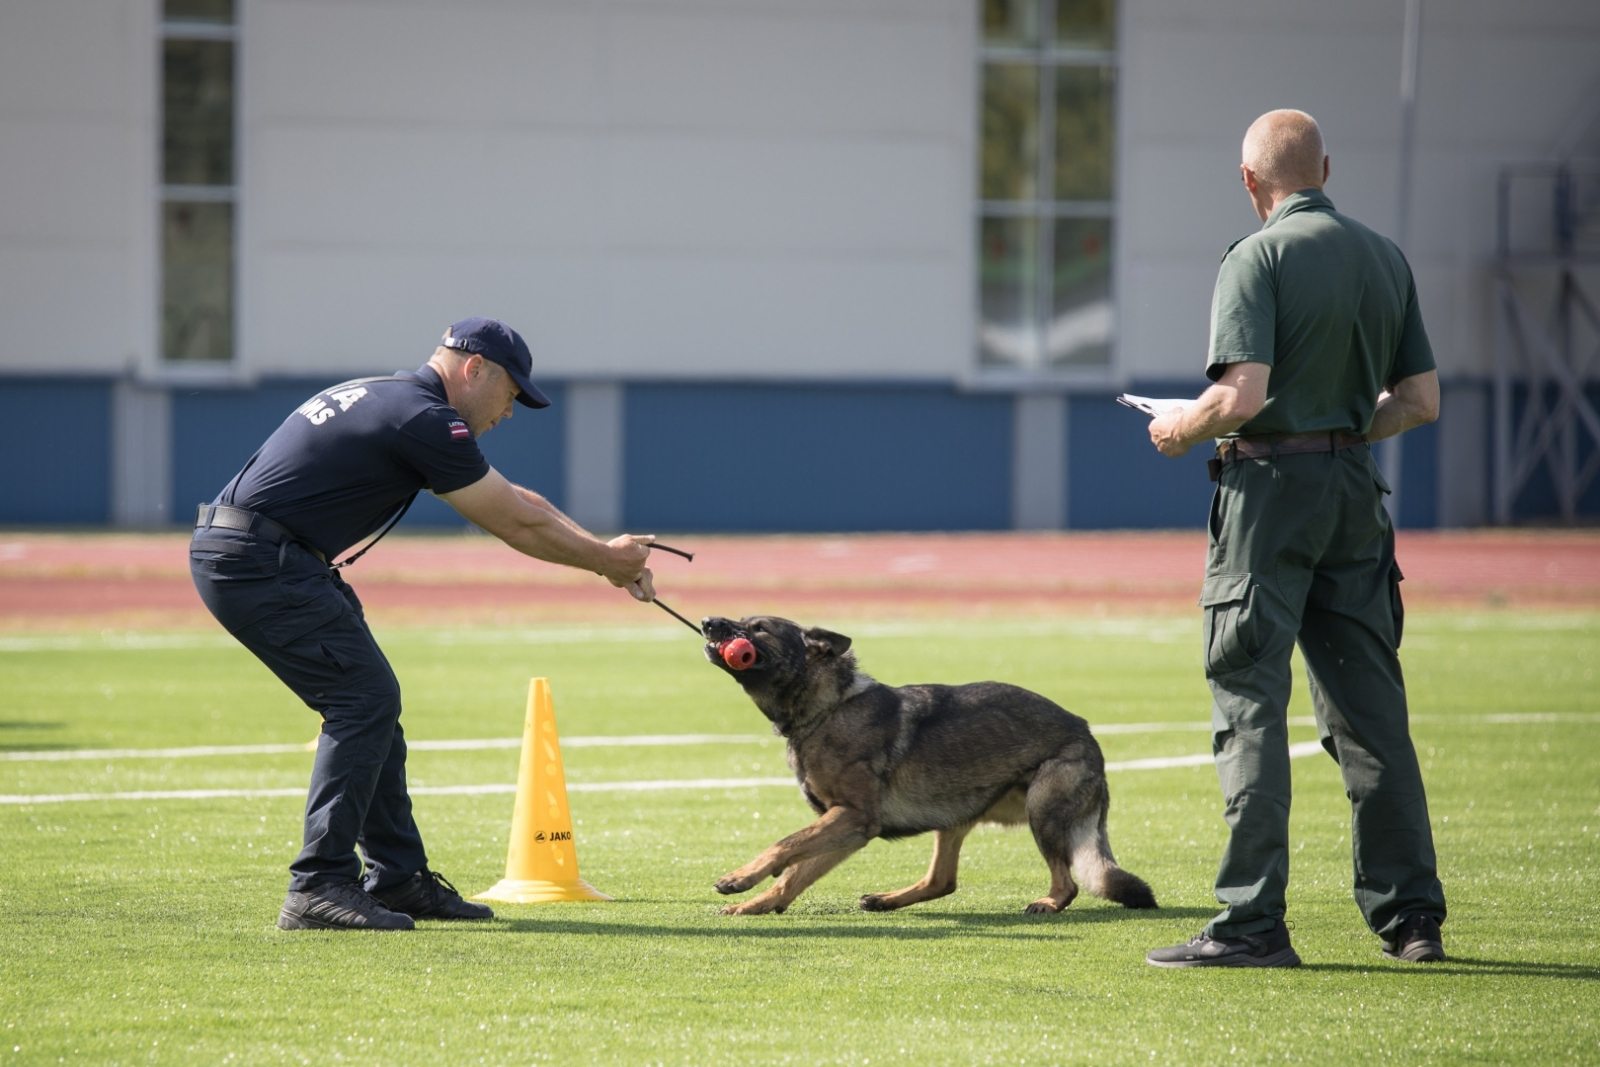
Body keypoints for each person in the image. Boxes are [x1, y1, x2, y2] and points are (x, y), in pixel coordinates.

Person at [190, 318, 657, 931]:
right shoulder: (425, 418)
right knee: (363, 699)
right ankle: (320, 885)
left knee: (373, 703)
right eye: (511, 394)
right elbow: (514, 525)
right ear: (475, 370)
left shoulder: (396, 399)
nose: (510, 412)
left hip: (263, 556)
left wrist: (603, 553)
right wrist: (608, 563)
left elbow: (517, 501)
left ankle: (399, 879)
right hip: (260, 562)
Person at [1142, 111, 1447, 968]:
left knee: (1249, 702)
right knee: (1371, 710)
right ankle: (1412, 918)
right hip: (1355, 490)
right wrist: (1343, 428)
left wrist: (1178, 428)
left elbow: (1239, 396)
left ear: (1249, 181)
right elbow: (1421, 400)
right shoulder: (1384, 256)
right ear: (1325, 168)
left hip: (1268, 494)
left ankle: (1250, 922)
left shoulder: (1257, 257)